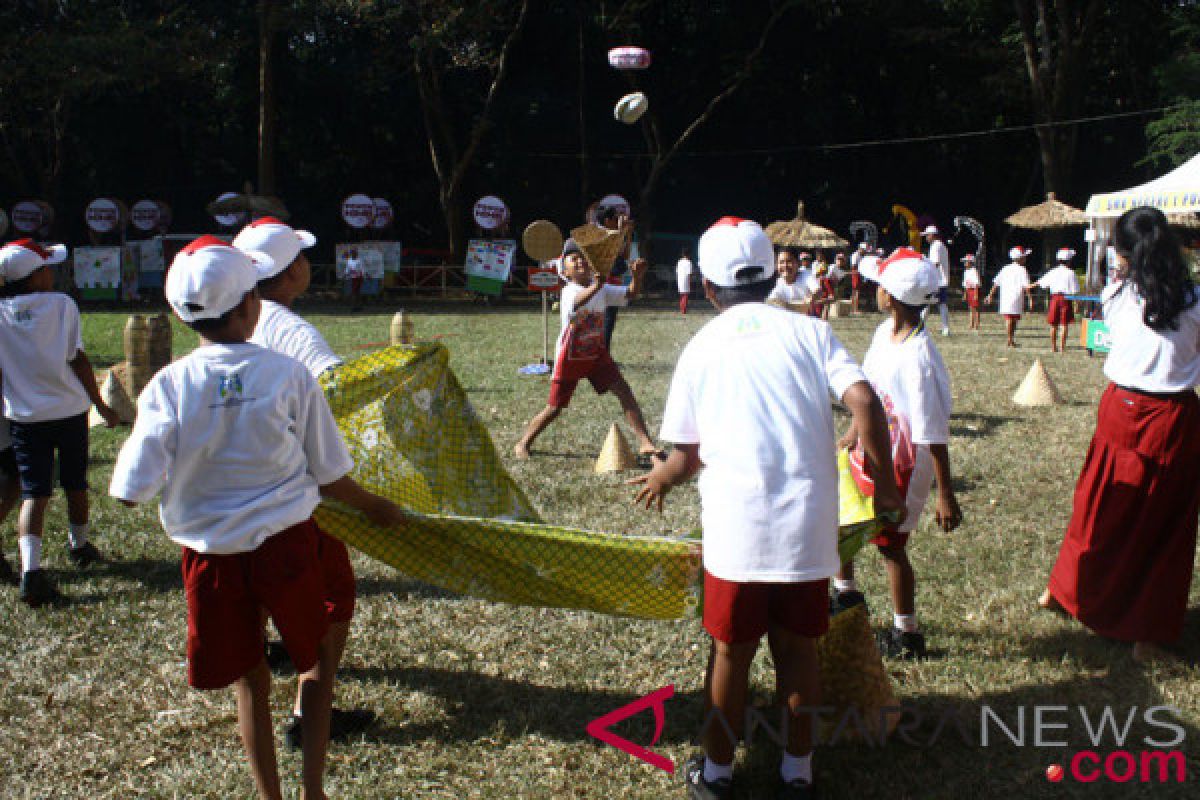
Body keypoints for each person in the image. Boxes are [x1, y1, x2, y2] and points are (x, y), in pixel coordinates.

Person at [109, 236, 407, 800]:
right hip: (288, 547)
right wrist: (378, 508)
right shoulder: (288, 376)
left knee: (250, 678)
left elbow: (129, 492)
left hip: (210, 559)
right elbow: (329, 474)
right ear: (252, 306)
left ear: (180, 313)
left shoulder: (168, 385)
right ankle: (312, 792)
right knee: (316, 665)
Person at [631, 217, 904, 800]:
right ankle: (797, 773)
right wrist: (881, 486)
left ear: (708, 289)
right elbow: (863, 399)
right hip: (807, 530)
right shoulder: (809, 332)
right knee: (797, 650)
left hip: (739, 533)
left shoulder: (701, 347)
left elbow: (686, 456)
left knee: (731, 651)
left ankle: (717, 776)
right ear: (770, 277)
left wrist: (661, 478)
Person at [233, 217, 375, 749]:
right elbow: (339, 391)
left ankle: (275, 649)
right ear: (291, 270)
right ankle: (308, 712)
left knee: (265, 578)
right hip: (300, 487)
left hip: (245, 485)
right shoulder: (294, 330)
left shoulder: (238, 320)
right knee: (334, 596)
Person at [1039, 207, 1200, 664]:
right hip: (1172, 417)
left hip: (1121, 409)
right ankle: (1145, 636)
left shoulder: (1115, 294)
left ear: (1124, 253)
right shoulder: (1193, 302)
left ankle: (1063, 592)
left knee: (1097, 502)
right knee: (1162, 524)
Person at [835, 248, 962, 659]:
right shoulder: (883, 334)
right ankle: (845, 595)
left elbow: (933, 431)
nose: (875, 292)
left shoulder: (920, 357)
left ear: (891, 296)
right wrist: (851, 434)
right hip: (868, 451)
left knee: (891, 546)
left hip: (903, 462)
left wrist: (945, 492)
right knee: (846, 525)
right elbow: (868, 394)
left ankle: (905, 631)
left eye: (880, 287)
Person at [0, 239, 120, 607]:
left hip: (23, 417)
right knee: (75, 482)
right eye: (47, 267)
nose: (52, 272)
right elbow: (78, 360)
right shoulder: (62, 305)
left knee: (34, 493)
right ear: (35, 277)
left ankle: (31, 571)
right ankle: (80, 545)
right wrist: (100, 402)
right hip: (68, 411)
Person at [514, 238, 657, 461]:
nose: (581, 260)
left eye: (585, 257)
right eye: (574, 258)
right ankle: (523, 443)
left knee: (624, 392)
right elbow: (578, 302)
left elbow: (630, 294)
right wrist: (597, 286)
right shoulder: (569, 291)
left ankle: (645, 442)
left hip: (596, 352)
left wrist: (637, 277)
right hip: (570, 355)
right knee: (554, 408)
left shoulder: (602, 288)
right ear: (565, 271)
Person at [1028, 247, 1080, 353]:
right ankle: (1062, 347)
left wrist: (1031, 285)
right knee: (1064, 324)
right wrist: (1077, 304)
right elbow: (1075, 290)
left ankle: (1053, 347)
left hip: (1054, 298)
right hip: (1066, 298)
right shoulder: (1071, 273)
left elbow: (1042, 282)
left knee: (1053, 324)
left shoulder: (1053, 271)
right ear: (1069, 260)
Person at [985, 246, 1034, 348]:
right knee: (1012, 319)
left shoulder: (1005, 268)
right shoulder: (1022, 270)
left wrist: (990, 295)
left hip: (1006, 297)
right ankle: (1010, 339)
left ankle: (1010, 339)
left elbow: (996, 283)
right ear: (1020, 258)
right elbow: (1026, 286)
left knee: (1010, 319)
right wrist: (1030, 299)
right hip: (1016, 297)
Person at [922, 225, 951, 336]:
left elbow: (935, 263)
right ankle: (945, 328)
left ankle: (921, 326)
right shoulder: (941, 245)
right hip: (941, 280)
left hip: (936, 280)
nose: (926, 238)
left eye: (927, 235)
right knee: (941, 304)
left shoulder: (935, 246)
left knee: (926, 303)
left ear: (933, 235)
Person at [961, 254, 982, 331]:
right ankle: (971, 324)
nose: (965, 263)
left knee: (976, 308)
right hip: (969, 290)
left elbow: (976, 283)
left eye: (966, 262)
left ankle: (977, 324)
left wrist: (976, 294)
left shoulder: (974, 271)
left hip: (974, 290)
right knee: (970, 308)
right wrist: (965, 294)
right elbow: (965, 284)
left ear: (970, 262)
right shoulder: (966, 272)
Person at [849, 243, 868, 314]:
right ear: (860, 249)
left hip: (858, 274)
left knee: (856, 292)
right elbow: (853, 266)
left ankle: (854, 309)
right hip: (855, 274)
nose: (865, 252)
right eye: (864, 250)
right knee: (856, 292)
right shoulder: (855, 255)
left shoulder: (861, 255)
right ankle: (854, 309)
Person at [676, 247, 695, 315]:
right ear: (689, 254)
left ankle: (682, 309)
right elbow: (689, 274)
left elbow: (677, 271)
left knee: (681, 295)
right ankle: (683, 310)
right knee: (685, 296)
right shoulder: (689, 262)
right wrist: (690, 282)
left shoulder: (679, 261)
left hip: (679, 279)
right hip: (686, 279)